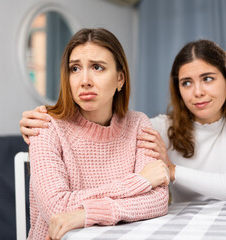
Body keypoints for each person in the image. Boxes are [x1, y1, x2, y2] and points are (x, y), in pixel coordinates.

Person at [20, 39, 226, 206]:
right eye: (186, 82)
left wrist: (172, 171)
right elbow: (121, 128)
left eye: (208, 79)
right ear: (178, 89)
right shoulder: (160, 127)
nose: (197, 91)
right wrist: (35, 124)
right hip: (184, 222)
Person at [25, 28, 169, 240]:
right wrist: (140, 181)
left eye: (97, 67)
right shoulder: (45, 125)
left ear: (120, 79)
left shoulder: (138, 123)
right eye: (75, 69)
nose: (84, 80)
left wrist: (85, 215)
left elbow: (157, 200)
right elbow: (57, 207)